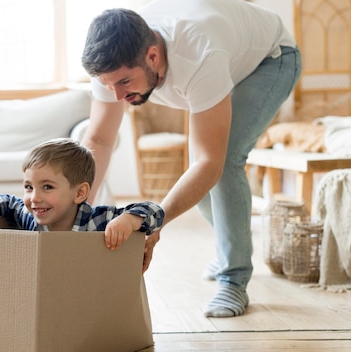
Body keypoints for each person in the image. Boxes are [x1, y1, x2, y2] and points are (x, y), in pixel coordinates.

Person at [80, 0, 301, 318]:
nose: (116, 97)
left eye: (124, 83)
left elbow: (210, 162)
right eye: (107, 85)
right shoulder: (112, 64)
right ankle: (234, 241)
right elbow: (99, 140)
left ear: (152, 56)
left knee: (223, 165)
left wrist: (149, 221)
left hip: (272, 59)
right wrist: (74, 212)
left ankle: (234, 280)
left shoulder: (199, 53)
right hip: (227, 54)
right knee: (197, 189)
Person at [0, 138, 164, 249]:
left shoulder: (98, 221)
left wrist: (128, 220)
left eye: (47, 187)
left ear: (80, 193)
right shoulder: (30, 218)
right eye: (29, 187)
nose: (34, 198)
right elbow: (5, 201)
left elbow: (156, 211)